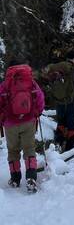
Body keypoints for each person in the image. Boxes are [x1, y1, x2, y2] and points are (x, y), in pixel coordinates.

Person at [0, 60, 45, 192]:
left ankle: (15, 178)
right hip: (28, 121)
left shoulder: (5, 84)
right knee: (29, 149)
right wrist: (38, 112)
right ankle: (31, 177)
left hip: (10, 123)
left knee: (13, 150)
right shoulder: (30, 82)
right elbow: (40, 97)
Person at [45, 50, 74, 151]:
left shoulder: (57, 68)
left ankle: (58, 144)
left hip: (59, 101)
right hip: (72, 101)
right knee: (71, 125)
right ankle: (70, 149)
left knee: (61, 123)